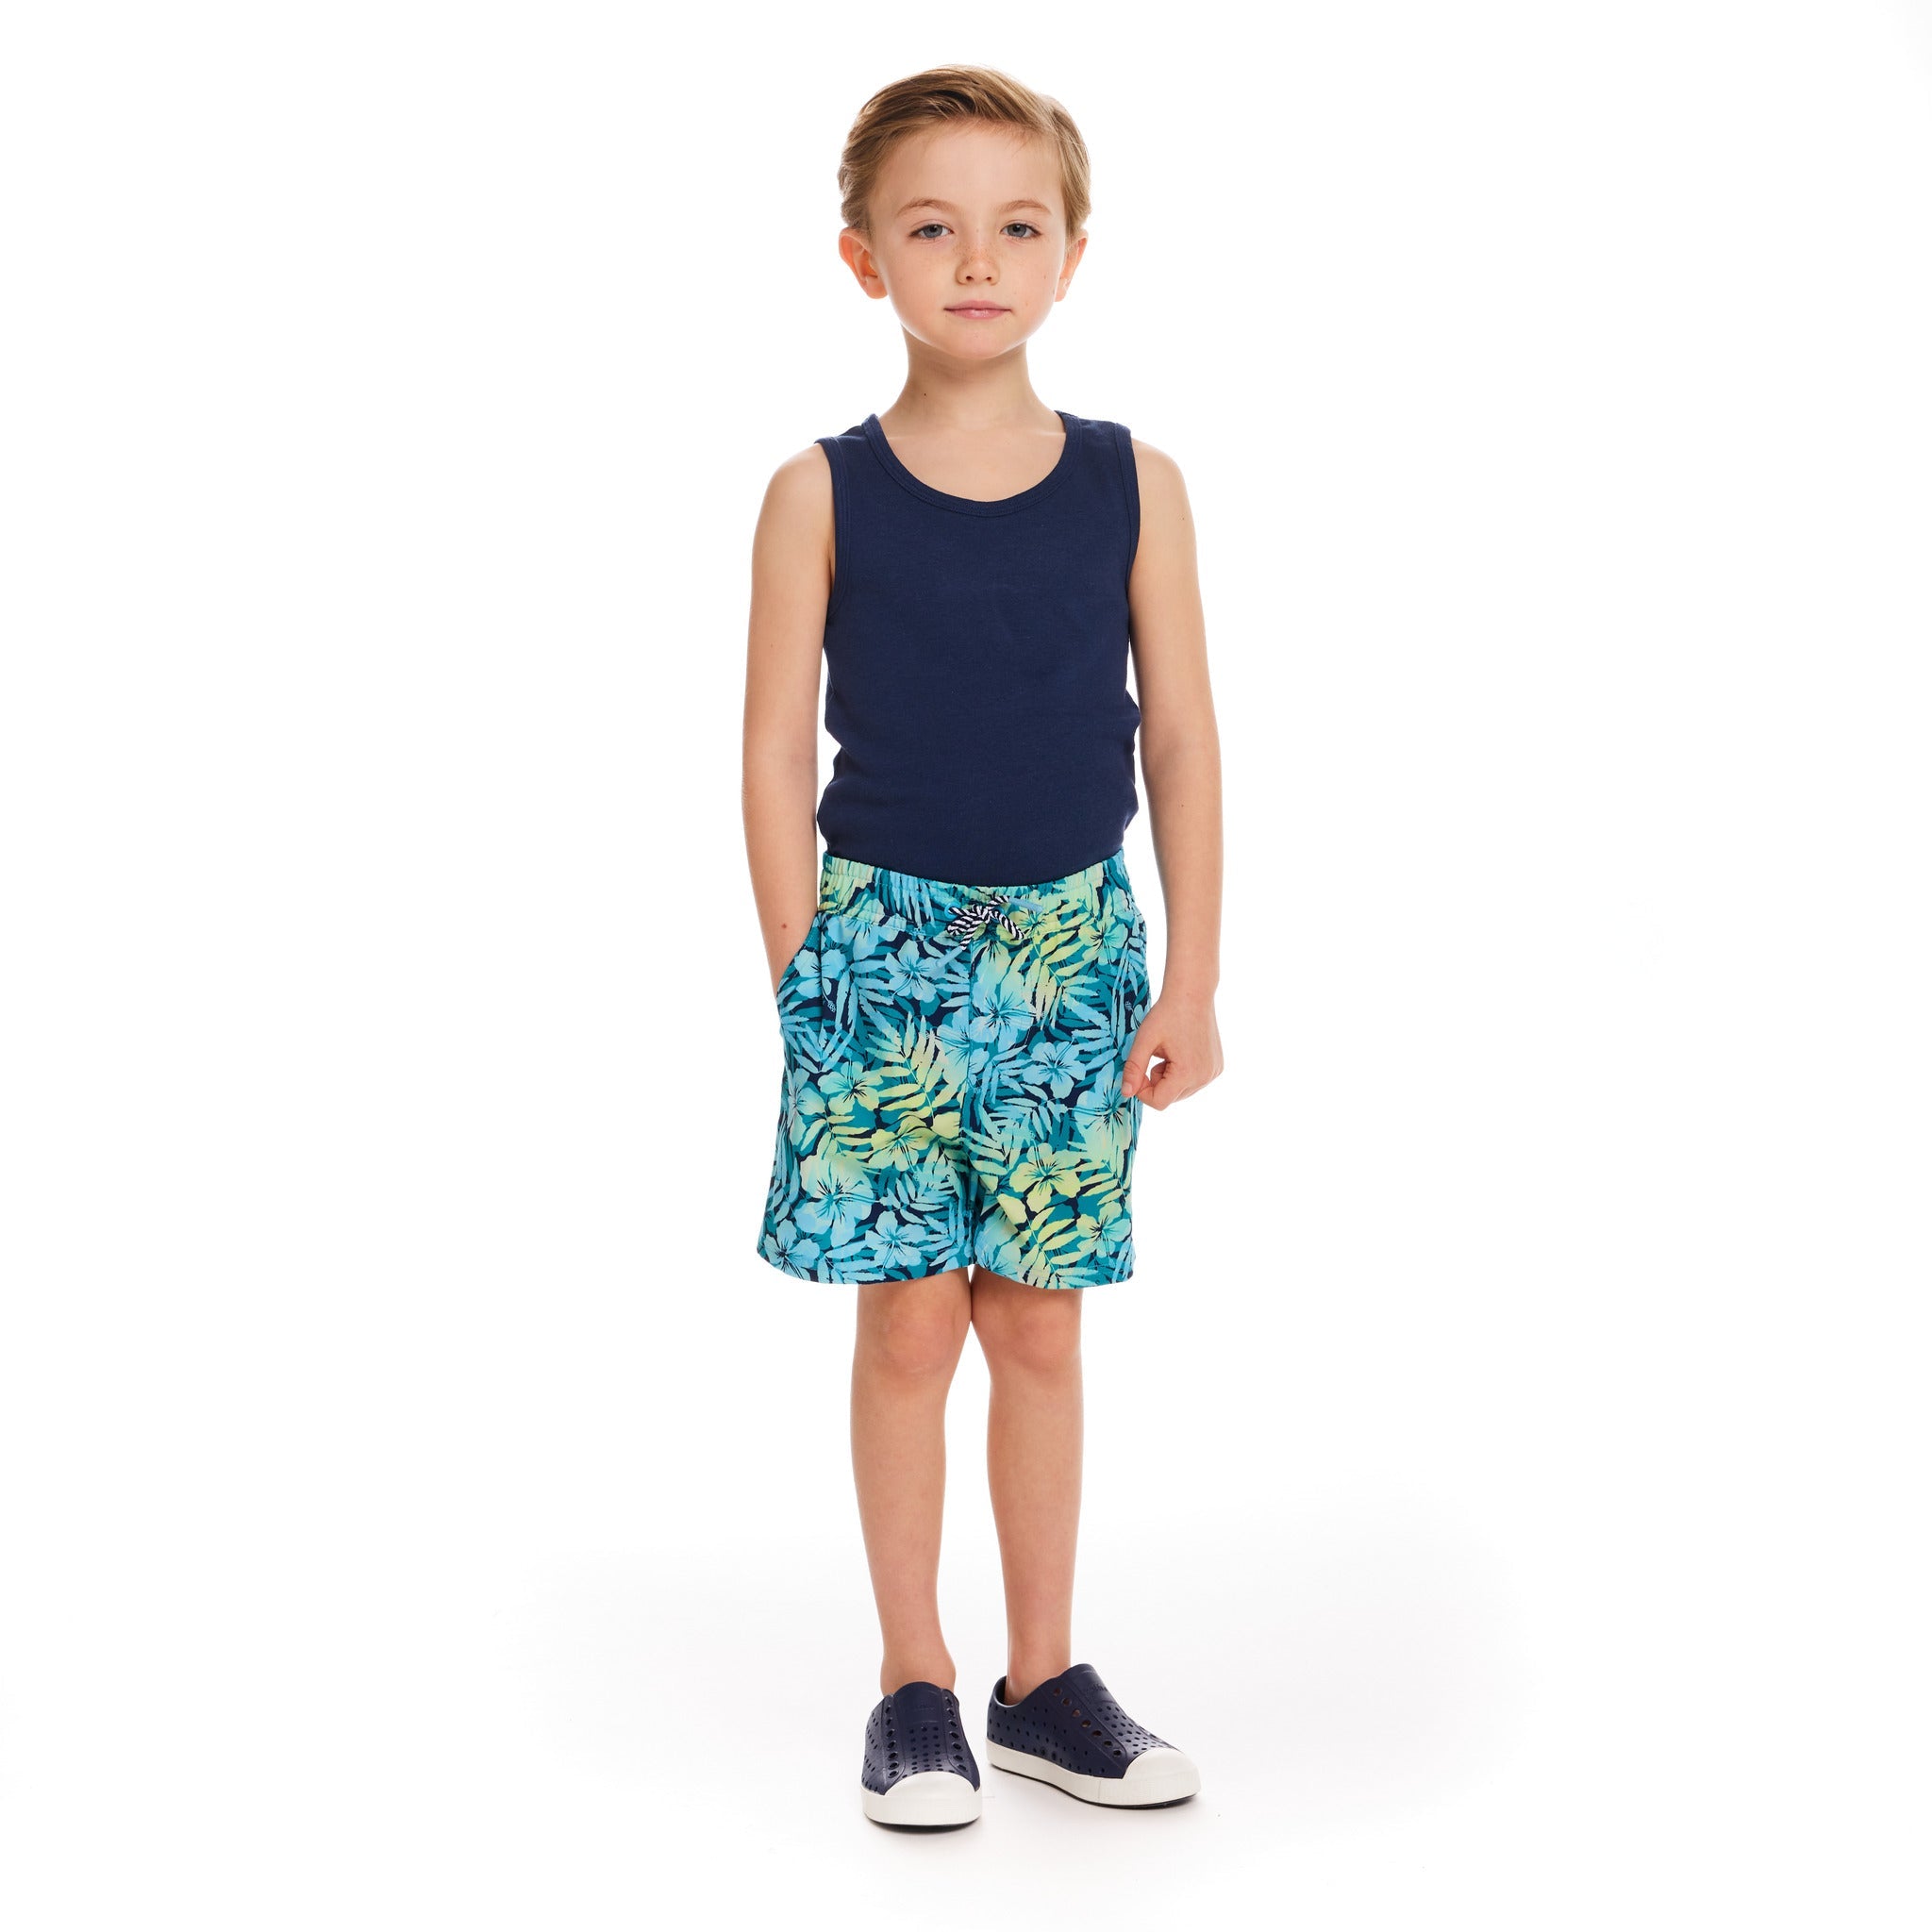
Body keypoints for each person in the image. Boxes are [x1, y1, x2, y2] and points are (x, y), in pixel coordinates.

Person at [741, 64, 1224, 1828]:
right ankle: (914, 1681)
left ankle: (1043, 1681)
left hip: (1072, 954)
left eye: (1017, 227)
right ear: (864, 258)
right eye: (932, 227)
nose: (976, 261)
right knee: (906, 1332)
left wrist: (1191, 977)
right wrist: (806, 972)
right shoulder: (819, 492)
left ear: (1071, 255)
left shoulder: (1133, 484)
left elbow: (1181, 738)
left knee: (1037, 1329)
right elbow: (770, 750)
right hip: (880, 956)